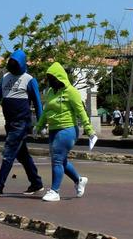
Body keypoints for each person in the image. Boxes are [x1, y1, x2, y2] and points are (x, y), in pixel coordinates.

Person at [0, 49, 44, 197]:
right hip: (9, 122)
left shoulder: (29, 79)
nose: (13, 65)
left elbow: (37, 103)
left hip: (21, 123)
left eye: (16, 63)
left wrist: (41, 124)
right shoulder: (5, 78)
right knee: (22, 155)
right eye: (11, 62)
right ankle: (36, 183)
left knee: (9, 152)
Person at [34, 62, 95, 202]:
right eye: (49, 79)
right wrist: (39, 125)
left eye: (52, 79)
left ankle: (55, 191)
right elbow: (46, 110)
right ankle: (79, 180)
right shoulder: (50, 92)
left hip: (67, 129)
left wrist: (89, 129)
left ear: (59, 77)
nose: (50, 82)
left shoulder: (71, 91)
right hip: (53, 130)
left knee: (56, 159)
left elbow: (81, 111)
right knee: (61, 160)